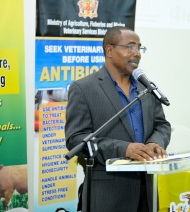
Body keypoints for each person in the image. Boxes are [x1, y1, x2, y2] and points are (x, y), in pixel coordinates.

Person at [65, 26, 171, 212]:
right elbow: (76, 139)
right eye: (130, 46)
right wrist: (124, 149)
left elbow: (162, 125)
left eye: (139, 48)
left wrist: (155, 142)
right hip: (108, 195)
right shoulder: (83, 89)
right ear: (109, 50)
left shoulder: (145, 88)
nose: (137, 53)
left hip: (147, 190)